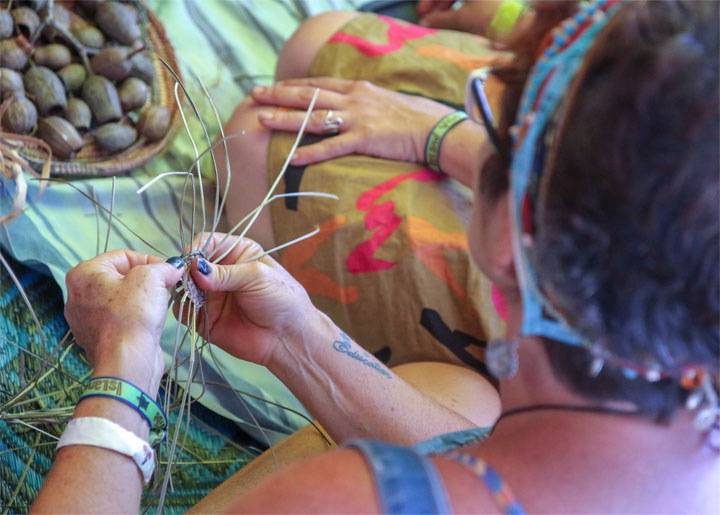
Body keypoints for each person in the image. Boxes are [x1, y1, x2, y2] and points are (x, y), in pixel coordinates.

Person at [32, 0, 718, 513]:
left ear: (509, 238)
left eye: (493, 134)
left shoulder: (347, 498)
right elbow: (471, 439)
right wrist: (297, 339)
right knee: (451, 393)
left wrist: (122, 371)